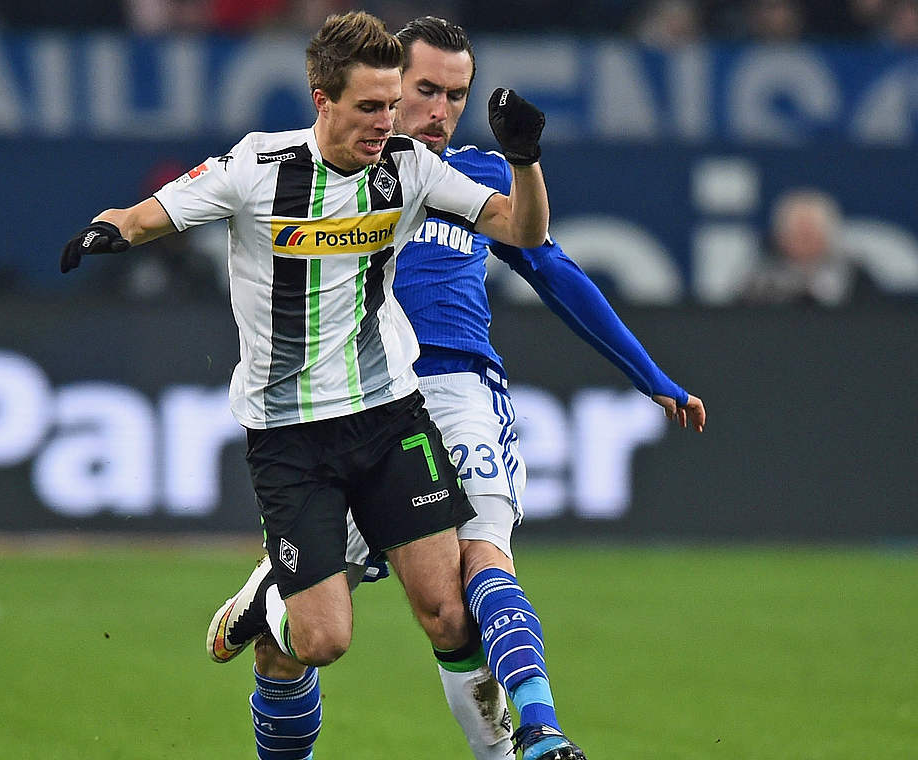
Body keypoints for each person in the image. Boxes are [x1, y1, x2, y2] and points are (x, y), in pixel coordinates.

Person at [205, 16, 707, 760]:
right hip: (348, 408)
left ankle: (538, 735)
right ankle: (275, 602)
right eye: (425, 90)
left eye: (457, 95)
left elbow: (553, 269)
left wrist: (649, 374)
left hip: (454, 390)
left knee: (468, 590)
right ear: (383, 86)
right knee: (295, 644)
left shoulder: (475, 177)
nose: (440, 111)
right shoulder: (319, 174)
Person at [58, 8, 552, 760]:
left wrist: (524, 159)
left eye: (392, 105)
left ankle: (513, 746)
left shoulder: (410, 168)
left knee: (451, 615)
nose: (386, 123)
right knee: (323, 641)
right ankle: (272, 605)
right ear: (323, 100)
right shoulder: (257, 167)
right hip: (292, 439)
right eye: (369, 107)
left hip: (391, 417)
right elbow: (149, 214)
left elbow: (523, 230)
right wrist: (111, 231)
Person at [740, 187, 868, 306]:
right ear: (781, 237)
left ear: (828, 236)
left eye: (811, 233)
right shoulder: (759, 283)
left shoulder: (855, 279)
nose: (805, 242)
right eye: (798, 234)